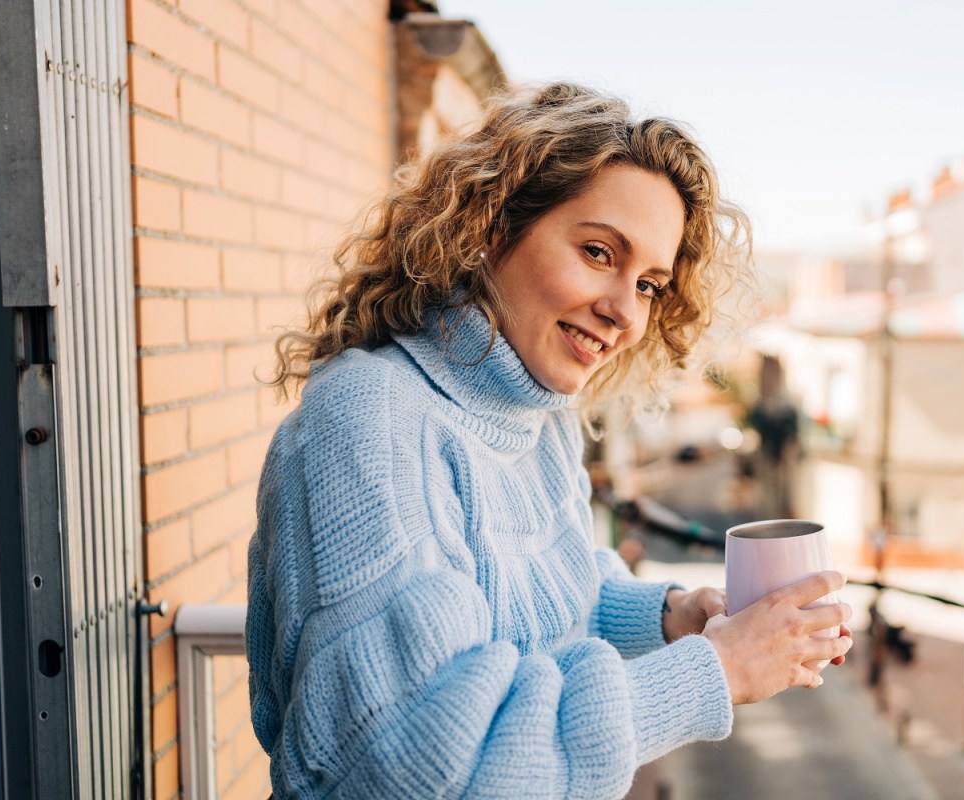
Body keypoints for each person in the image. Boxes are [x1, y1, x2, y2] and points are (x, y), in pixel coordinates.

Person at [246, 82, 853, 799]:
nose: (625, 312)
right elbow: (419, 762)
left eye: (650, 284)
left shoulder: (537, 417)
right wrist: (714, 672)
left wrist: (670, 617)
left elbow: (553, 597)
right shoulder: (370, 419)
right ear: (491, 227)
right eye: (599, 252)